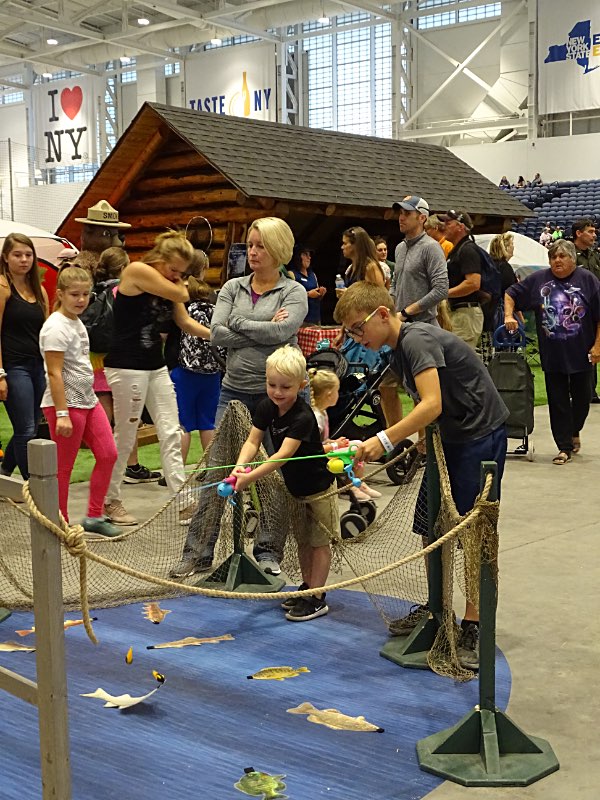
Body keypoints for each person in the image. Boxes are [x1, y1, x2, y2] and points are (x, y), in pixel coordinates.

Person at [333, 281, 509, 669]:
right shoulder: (396, 352)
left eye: (358, 329)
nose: (356, 338)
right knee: (432, 528)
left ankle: (474, 624)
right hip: (450, 439)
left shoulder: (417, 340)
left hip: (479, 436)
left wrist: (384, 439)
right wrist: (413, 441)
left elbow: (432, 403)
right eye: (350, 333)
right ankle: (437, 608)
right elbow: (411, 401)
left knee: (471, 531)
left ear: (382, 314)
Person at [171, 217, 307, 579]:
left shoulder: (293, 293)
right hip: (232, 391)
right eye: (250, 245)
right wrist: (262, 330)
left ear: (278, 249)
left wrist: (240, 324)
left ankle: (267, 551)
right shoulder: (232, 286)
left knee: (273, 476)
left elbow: (284, 329)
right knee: (216, 471)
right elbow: (216, 334)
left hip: (279, 397)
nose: (253, 252)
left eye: (260, 245)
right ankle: (197, 553)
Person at [103, 231, 210, 526]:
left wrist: (218, 336)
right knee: (125, 436)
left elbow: (184, 320)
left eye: (181, 272)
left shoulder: (169, 284)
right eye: (173, 269)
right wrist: (180, 283)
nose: (177, 275)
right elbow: (182, 294)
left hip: (155, 364)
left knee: (172, 431)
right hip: (126, 366)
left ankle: (184, 502)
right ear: (160, 259)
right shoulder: (138, 270)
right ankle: (110, 500)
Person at [230, 345, 340, 622]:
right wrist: (239, 466)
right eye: (272, 385)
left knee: (318, 542)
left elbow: (281, 456)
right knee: (303, 540)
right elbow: (253, 441)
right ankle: (307, 587)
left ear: (302, 386)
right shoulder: (267, 407)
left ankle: (318, 596)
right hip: (296, 488)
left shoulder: (302, 417)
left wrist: (249, 478)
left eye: (286, 387)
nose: (277, 392)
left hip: (319, 488)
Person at [39, 267, 120, 536]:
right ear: (60, 294)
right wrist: (61, 413)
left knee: (109, 454)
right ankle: (59, 521)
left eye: (86, 294)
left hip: (87, 399)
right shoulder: (54, 327)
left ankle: (94, 516)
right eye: (74, 294)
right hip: (65, 404)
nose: (81, 300)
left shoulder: (77, 321)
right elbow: (54, 372)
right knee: (64, 467)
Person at [505, 239, 600, 465]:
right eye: (553, 257)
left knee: (583, 398)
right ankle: (563, 447)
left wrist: (598, 346)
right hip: (552, 355)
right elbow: (511, 292)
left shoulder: (588, 280)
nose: (557, 261)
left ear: (572, 259)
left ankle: (574, 429)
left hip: (582, 352)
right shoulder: (539, 280)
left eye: (562, 256)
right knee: (557, 401)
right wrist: (509, 315)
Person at [88, 247, 161, 486]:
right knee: (127, 420)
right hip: (122, 360)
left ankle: (106, 463)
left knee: (106, 418)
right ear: (123, 268)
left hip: (97, 360)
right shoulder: (126, 291)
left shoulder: (96, 290)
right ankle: (130, 466)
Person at [0, 233, 49, 481]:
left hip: (37, 365)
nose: (23, 260)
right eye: (17, 255)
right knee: (26, 429)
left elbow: (47, 333)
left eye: (28, 255)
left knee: (29, 425)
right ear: (6, 258)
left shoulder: (39, 291)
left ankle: (4, 472)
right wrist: (0, 374)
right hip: (14, 366)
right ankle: (34, 486)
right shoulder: (2, 287)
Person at [171, 271, 224, 462]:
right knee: (208, 423)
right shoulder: (217, 310)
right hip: (212, 374)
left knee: (182, 424)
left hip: (186, 373)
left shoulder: (187, 311)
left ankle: (178, 470)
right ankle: (210, 468)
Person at [307, 367, 378, 500]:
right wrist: (335, 446)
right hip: (319, 457)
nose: (338, 395)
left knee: (359, 444)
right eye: (337, 391)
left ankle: (358, 481)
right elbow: (315, 448)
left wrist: (334, 442)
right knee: (356, 448)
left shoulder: (323, 412)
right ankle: (349, 486)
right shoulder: (316, 417)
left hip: (326, 449)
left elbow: (324, 440)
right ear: (329, 394)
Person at [441, 209, 483, 351]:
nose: (444, 226)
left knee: (459, 360)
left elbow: (473, 283)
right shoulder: (457, 250)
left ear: (460, 227)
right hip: (459, 312)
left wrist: (444, 293)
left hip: (465, 314)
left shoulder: (467, 250)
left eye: (448, 223)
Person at [572, 218, 600, 402]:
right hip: (573, 311)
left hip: (593, 310)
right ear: (578, 233)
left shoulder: (594, 255)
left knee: (594, 349)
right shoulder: (567, 253)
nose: (594, 235)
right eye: (590, 231)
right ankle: (575, 391)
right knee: (574, 351)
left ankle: (590, 391)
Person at [290, 246, 326, 324]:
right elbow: (290, 297)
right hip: (302, 319)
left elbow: (317, 298)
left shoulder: (313, 274)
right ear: (298, 257)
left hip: (316, 318)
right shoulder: (292, 274)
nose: (309, 257)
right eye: (305, 255)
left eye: (309, 255)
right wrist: (308, 294)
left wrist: (320, 293)